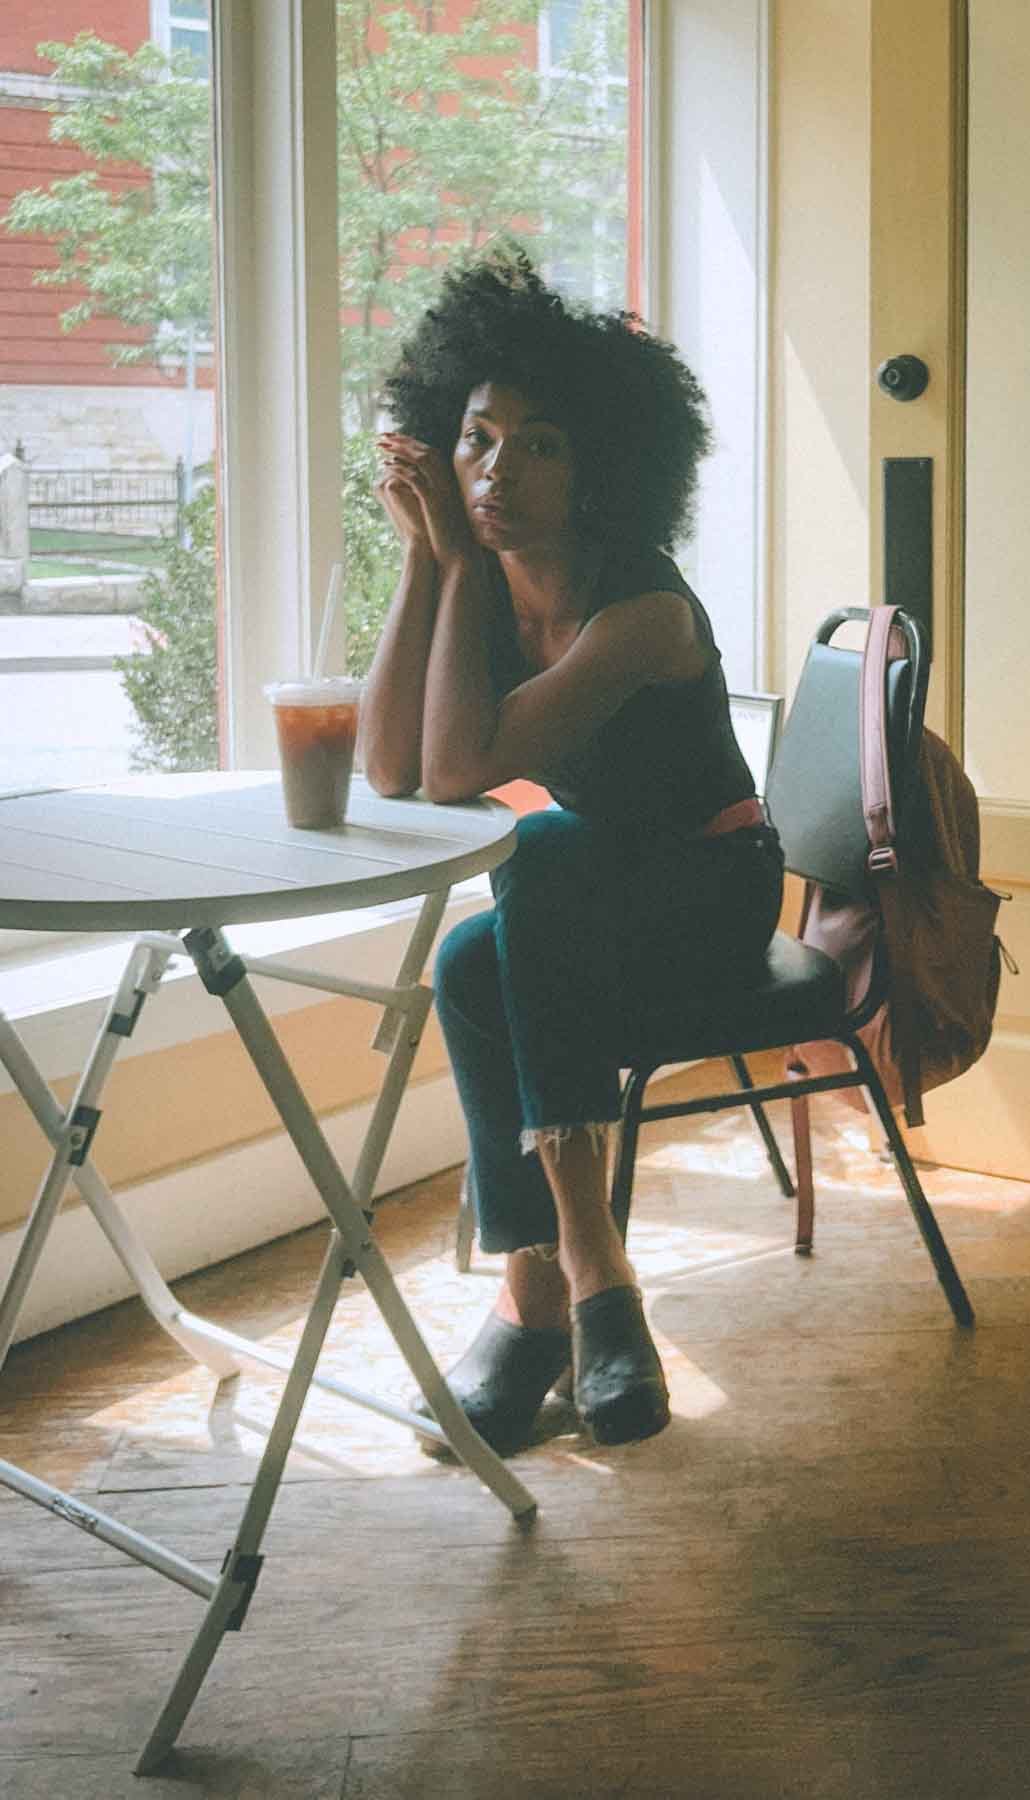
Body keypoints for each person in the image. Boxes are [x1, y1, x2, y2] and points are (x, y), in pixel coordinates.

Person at [360, 251, 783, 1454]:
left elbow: (454, 775)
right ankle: (549, 1290)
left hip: (711, 891)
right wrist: (429, 561)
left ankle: (576, 1279)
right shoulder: (483, 579)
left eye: (538, 445)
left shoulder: (642, 612)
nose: (497, 474)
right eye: (479, 439)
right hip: (586, 902)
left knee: (534, 856)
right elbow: (393, 766)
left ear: (602, 463)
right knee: (464, 963)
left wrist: (455, 564)